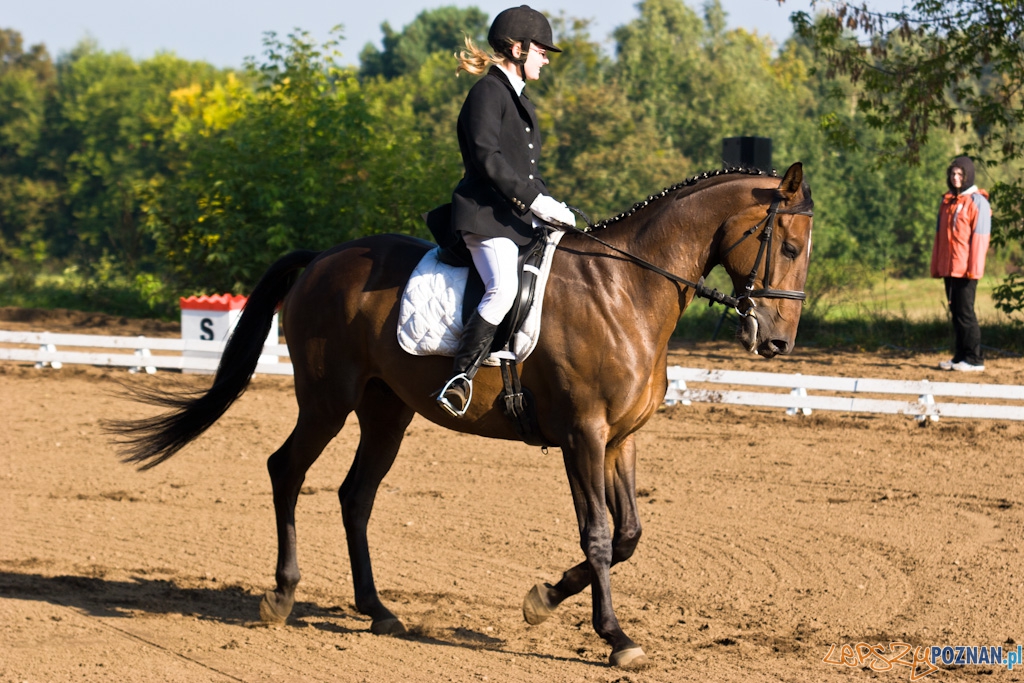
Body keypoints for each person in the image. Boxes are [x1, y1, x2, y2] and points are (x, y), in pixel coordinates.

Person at [434, 5, 576, 417]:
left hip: (514, 217)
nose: (546, 58)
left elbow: (525, 171)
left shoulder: (521, 102)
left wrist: (553, 204)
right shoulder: (487, 93)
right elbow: (486, 157)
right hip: (484, 216)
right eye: (542, 51)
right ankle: (460, 378)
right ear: (518, 48)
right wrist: (534, 202)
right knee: (503, 289)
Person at [930, 155, 991, 372]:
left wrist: (973, 270)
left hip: (966, 270)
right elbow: (940, 237)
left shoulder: (978, 202)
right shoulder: (947, 201)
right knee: (955, 312)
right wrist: (938, 265)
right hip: (950, 269)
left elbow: (980, 239)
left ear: (968, 176)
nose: (956, 178)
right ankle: (960, 357)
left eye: (960, 174)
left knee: (966, 313)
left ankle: (975, 359)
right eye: (953, 174)